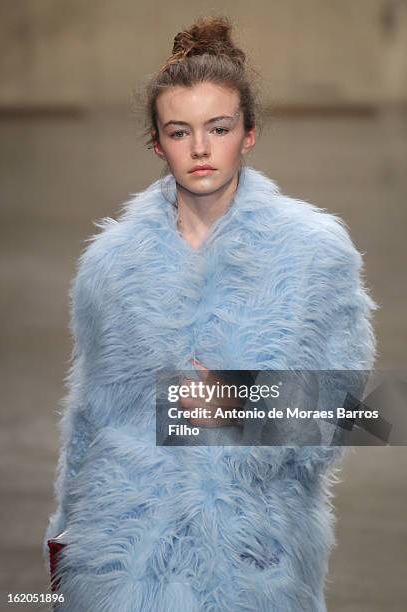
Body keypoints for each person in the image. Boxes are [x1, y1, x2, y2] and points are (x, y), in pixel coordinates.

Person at [43, 15, 378, 612]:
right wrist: (65, 535)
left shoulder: (312, 252)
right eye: (179, 131)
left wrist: (238, 404)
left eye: (218, 127)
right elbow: (89, 413)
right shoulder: (112, 261)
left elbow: (355, 412)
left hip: (253, 551)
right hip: (120, 546)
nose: (200, 148)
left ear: (247, 134)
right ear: (157, 142)